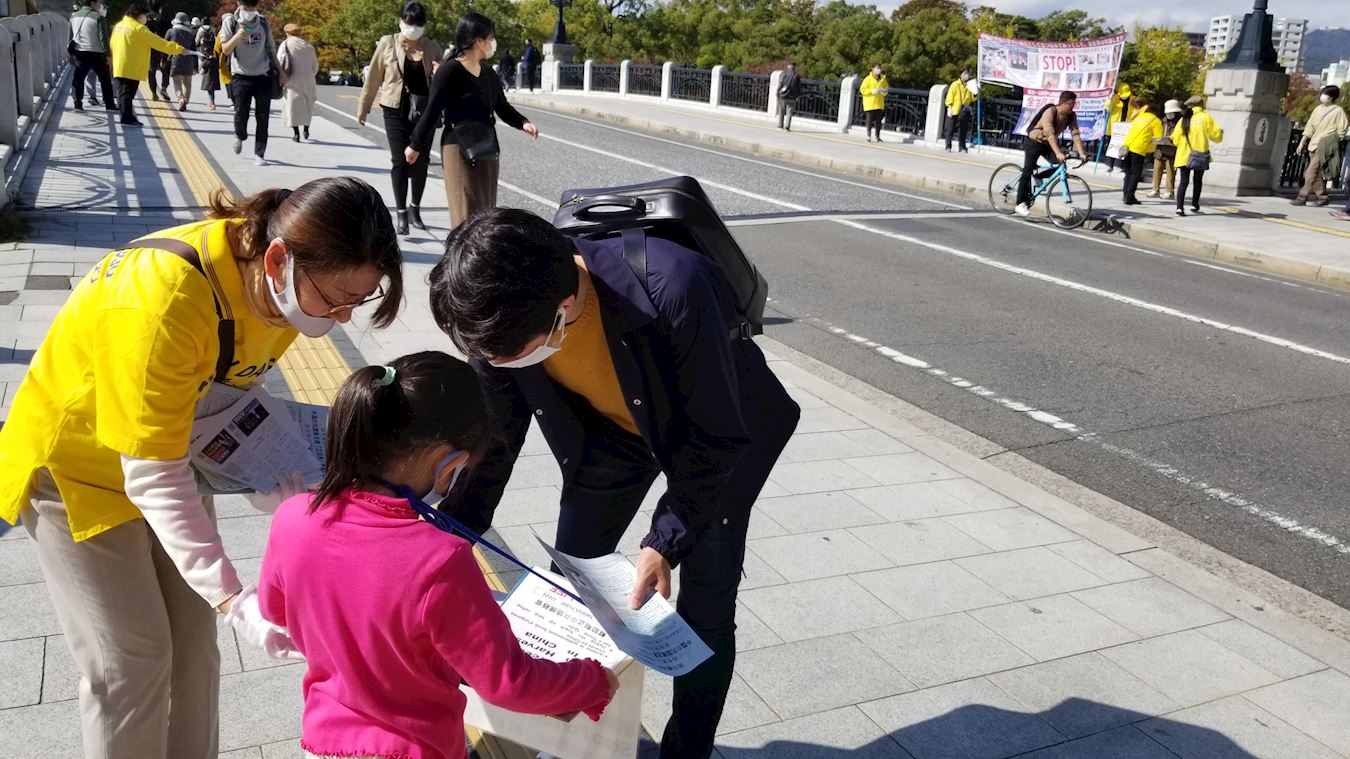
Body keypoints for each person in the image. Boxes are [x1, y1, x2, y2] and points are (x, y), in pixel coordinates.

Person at [0, 177, 404, 759]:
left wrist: (264, 473)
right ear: (278, 259)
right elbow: (152, 476)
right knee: (132, 663)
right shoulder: (163, 301)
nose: (341, 317)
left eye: (357, 301)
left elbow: (224, 392)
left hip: (174, 450)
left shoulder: (279, 289)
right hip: (77, 470)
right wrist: (235, 598)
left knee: (194, 649)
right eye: (336, 298)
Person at [428, 208, 800, 759]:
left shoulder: (673, 287)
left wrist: (663, 542)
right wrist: (439, 540)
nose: (496, 364)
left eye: (508, 357)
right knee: (569, 585)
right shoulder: (500, 323)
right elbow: (495, 443)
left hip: (721, 435)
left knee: (707, 602)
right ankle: (571, 740)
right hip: (614, 433)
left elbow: (715, 438)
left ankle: (687, 751)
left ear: (562, 309)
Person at [258, 352, 619, 759]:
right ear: (448, 462)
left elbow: (276, 610)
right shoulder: (441, 559)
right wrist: (593, 681)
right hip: (414, 748)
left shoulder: (292, 517)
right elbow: (509, 682)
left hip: (324, 742)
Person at [408, 13, 539, 229]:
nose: (493, 43)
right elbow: (432, 110)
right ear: (479, 41)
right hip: (458, 148)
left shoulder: (488, 73)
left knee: (485, 212)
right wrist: (415, 144)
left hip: (486, 147)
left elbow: (501, 105)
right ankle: (461, 251)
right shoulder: (449, 71)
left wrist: (522, 122)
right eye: (491, 38)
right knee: (465, 214)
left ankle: (480, 251)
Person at [358, 1, 444, 235]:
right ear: (400, 21)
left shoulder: (432, 47)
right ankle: (402, 213)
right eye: (408, 22)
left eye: (417, 24)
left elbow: (444, 81)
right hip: (394, 109)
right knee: (400, 160)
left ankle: (415, 209)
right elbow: (374, 76)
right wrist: (364, 107)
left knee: (421, 161)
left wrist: (439, 71)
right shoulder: (388, 43)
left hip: (424, 112)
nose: (412, 28)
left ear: (423, 25)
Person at [221, 0, 283, 166]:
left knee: (262, 117)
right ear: (239, 4)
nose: (249, 10)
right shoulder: (231, 22)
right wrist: (238, 36)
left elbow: (271, 49)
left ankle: (259, 154)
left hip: (263, 75)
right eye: (246, 7)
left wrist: (281, 72)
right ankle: (239, 135)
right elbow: (225, 50)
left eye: (252, 7)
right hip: (241, 75)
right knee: (241, 114)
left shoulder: (262, 22)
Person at [110, 2, 184, 126]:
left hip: (118, 64)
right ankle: (127, 119)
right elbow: (158, 43)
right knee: (128, 93)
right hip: (131, 66)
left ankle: (126, 116)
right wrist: (178, 49)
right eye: (145, 15)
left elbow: (112, 43)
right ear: (138, 14)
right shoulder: (139, 28)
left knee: (123, 92)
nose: (146, 18)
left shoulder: (119, 26)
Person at [1015, 90, 1087, 217]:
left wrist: (1082, 153)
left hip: (1048, 145)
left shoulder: (1071, 116)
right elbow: (1050, 134)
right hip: (1035, 142)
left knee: (1061, 165)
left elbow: (1075, 134)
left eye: (1074, 104)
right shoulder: (1050, 112)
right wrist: (1058, 153)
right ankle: (1019, 203)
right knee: (1027, 171)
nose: (1073, 106)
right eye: (1071, 104)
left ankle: (1038, 176)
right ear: (1063, 103)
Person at [1292, 85, 1349, 207]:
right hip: (1313, 145)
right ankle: (1322, 197)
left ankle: (1302, 196)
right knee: (1316, 174)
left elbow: (1342, 130)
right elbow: (1309, 127)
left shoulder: (1338, 111)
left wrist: (1331, 140)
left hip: (1324, 147)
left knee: (1310, 173)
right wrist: (1302, 142)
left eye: (1326, 94)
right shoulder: (1318, 109)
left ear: (1332, 97)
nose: (1323, 96)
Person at [1172, 95, 1224, 217]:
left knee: (1183, 182)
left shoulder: (1184, 119)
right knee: (1197, 181)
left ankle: (1179, 208)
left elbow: (1175, 139)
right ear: (1201, 105)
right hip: (1199, 155)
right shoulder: (1206, 118)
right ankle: (1194, 204)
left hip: (1184, 155)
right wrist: (1220, 133)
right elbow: (1216, 136)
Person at [68, 0, 115, 113]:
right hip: (97, 54)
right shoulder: (98, 17)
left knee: (78, 79)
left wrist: (71, 54)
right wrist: (108, 55)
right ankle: (109, 105)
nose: (100, 5)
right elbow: (103, 39)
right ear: (92, 3)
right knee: (105, 80)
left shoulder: (73, 16)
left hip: (80, 52)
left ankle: (78, 105)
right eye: (98, 2)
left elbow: (70, 36)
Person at [278, 24, 318, 143]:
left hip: (292, 79)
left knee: (292, 106)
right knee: (307, 105)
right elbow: (315, 65)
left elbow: (279, 61)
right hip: (308, 79)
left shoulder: (285, 44)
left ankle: (296, 133)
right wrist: (311, 75)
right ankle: (306, 128)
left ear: (287, 33)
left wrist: (280, 77)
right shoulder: (309, 47)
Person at [1120, 99, 1162, 206]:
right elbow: (1158, 138)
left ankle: (1125, 195)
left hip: (1126, 146)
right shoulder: (1156, 120)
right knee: (1135, 174)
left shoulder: (1139, 117)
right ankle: (1129, 197)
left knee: (1128, 173)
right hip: (1139, 148)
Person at [1148, 99, 1182, 199]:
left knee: (1170, 171)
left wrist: (1171, 139)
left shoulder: (1180, 122)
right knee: (1157, 170)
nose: (1169, 115)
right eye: (1167, 113)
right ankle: (1155, 189)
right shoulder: (1163, 121)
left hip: (1172, 150)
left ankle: (1169, 191)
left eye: (1171, 113)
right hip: (1160, 149)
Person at [165, 12, 198, 112]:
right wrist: (196, 66)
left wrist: (163, 60)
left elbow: (164, 45)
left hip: (176, 59)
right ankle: (185, 102)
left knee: (177, 82)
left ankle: (181, 99)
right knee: (187, 84)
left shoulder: (171, 31)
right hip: (189, 60)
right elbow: (194, 49)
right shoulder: (191, 34)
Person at [1104, 82, 1136, 173]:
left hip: (1126, 126)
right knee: (1112, 145)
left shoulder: (1133, 99)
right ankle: (1109, 165)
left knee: (1122, 146)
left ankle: (1119, 164)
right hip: (1114, 126)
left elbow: (1135, 110)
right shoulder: (1114, 98)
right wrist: (1110, 99)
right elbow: (1108, 108)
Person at [944, 68, 976, 152]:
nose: (966, 75)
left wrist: (976, 91)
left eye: (967, 74)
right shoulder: (955, 84)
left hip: (964, 111)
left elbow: (972, 98)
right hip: (954, 110)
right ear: (960, 75)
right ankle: (948, 146)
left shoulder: (969, 86)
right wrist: (949, 107)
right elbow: (950, 96)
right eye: (965, 74)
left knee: (963, 130)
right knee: (950, 129)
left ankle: (962, 147)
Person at [146, 2, 171, 101]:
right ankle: (164, 88)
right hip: (163, 46)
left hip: (150, 48)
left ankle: (153, 92)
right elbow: (169, 32)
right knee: (165, 68)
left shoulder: (145, 19)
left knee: (151, 71)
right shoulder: (164, 18)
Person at [860, 64, 888, 143]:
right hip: (870, 103)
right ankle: (868, 135)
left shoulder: (882, 79)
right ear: (872, 69)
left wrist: (883, 91)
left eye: (879, 68)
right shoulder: (868, 79)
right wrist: (871, 91)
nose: (878, 70)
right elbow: (862, 89)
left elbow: (886, 89)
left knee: (878, 121)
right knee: (869, 121)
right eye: (877, 68)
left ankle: (877, 136)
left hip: (879, 103)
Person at [197, 19, 219, 110]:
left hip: (203, 49)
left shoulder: (201, 29)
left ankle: (203, 70)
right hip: (212, 51)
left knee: (204, 63)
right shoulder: (212, 29)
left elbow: (197, 40)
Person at [777, 61, 801, 131]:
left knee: (781, 111)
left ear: (788, 66)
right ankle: (787, 127)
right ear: (794, 67)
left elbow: (780, 84)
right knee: (789, 112)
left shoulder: (783, 74)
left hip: (783, 95)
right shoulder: (797, 76)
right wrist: (798, 96)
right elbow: (799, 87)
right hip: (792, 97)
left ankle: (780, 125)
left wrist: (777, 92)